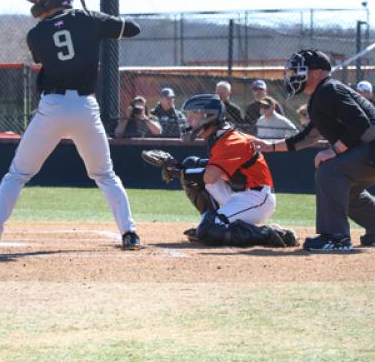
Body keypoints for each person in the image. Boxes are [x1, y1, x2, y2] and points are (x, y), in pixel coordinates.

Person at [0, 0, 142, 251]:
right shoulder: (89, 19)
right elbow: (134, 30)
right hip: (85, 108)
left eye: (41, 1)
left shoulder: (36, 34)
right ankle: (130, 233)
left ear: (52, 0)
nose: (37, 7)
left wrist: (89, 23)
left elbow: (52, 50)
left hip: (52, 108)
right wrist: (99, 21)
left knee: (17, 175)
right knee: (104, 174)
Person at [254, 49, 375, 252]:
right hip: (368, 150)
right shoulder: (321, 96)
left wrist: (334, 151)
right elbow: (308, 136)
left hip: (371, 147)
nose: (293, 75)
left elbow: (361, 124)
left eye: (299, 70)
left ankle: (336, 238)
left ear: (317, 73)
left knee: (330, 171)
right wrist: (271, 147)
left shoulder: (330, 90)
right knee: (348, 190)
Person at [148, 94, 297, 248]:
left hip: (257, 198)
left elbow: (209, 178)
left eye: (194, 114)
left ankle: (268, 234)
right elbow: (208, 173)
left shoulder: (230, 140)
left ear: (208, 116)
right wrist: (180, 168)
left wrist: (177, 170)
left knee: (209, 231)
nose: (189, 119)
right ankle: (211, 222)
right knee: (191, 165)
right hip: (239, 193)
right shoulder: (219, 136)